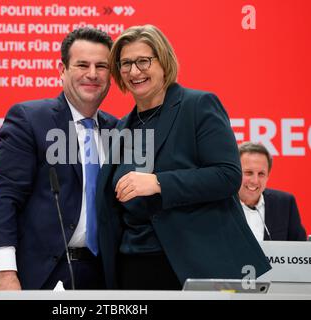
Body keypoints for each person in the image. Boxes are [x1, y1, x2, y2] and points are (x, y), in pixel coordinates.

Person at [96, 24, 271, 290]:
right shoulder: (122, 127)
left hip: (192, 264)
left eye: (143, 61)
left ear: (164, 62)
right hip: (133, 265)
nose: (134, 71)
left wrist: (158, 183)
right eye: (125, 63)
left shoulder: (197, 106)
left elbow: (227, 175)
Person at [0, 27, 118, 291]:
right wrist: (6, 274)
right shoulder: (30, 119)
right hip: (36, 277)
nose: (92, 73)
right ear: (61, 69)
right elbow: (4, 198)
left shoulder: (118, 129)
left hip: (101, 277)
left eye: (101, 66)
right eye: (82, 64)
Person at [238, 141, 307, 241]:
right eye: (249, 173)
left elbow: (299, 248)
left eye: (261, 174)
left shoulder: (285, 203)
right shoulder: (221, 204)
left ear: (268, 176)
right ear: (236, 172)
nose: (255, 181)